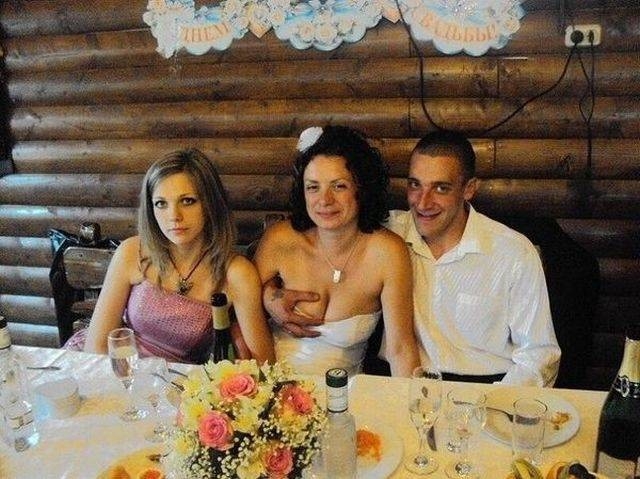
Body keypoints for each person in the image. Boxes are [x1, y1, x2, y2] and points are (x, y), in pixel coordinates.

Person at [264, 130, 560, 386]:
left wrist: (496, 408)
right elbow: (330, 231)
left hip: (485, 386)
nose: (423, 202)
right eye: (415, 185)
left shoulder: (513, 253)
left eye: (441, 188)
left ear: (469, 189)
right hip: (404, 381)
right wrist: (268, 296)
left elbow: (539, 356)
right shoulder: (387, 232)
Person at [67, 148, 275, 365]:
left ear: (211, 204)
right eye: (161, 203)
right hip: (114, 368)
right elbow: (97, 347)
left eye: (187, 201)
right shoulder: (132, 251)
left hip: (178, 381)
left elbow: (265, 365)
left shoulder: (236, 273)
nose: (174, 216)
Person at [253, 125, 420, 377]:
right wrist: (267, 297)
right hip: (269, 386)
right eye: (313, 187)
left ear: (361, 189)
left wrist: (409, 400)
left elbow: (400, 349)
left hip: (345, 394)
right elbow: (237, 311)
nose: (324, 200)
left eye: (339, 186)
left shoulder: (388, 253)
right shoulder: (280, 239)